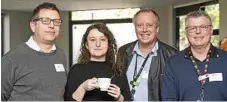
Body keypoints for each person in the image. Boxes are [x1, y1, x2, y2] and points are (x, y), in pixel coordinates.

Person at [1, 2, 68, 101]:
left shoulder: (61, 55)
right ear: (33, 26)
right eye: (46, 21)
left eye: (56, 21)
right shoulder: (12, 58)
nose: (52, 25)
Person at [162, 11, 227, 101]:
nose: (198, 32)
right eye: (192, 28)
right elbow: (169, 99)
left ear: (211, 30)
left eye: (203, 27)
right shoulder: (173, 63)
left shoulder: (225, 60)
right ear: (186, 32)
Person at [118, 8, 178, 101]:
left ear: (157, 28)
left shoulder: (172, 55)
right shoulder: (123, 51)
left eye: (149, 25)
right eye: (139, 25)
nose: (144, 30)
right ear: (135, 28)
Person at [64, 23, 132, 101]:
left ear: (109, 44)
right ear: (86, 45)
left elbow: (128, 99)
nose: (98, 44)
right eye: (92, 40)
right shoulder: (76, 70)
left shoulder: (118, 69)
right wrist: (83, 88)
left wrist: (119, 97)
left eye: (102, 39)